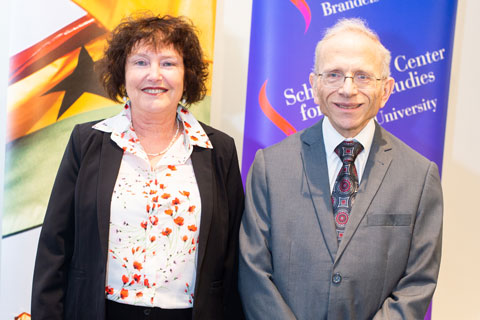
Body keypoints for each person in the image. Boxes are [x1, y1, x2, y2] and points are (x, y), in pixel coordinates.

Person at [32, 14, 244, 320]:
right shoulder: (87, 142)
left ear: (187, 75)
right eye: (141, 62)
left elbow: (232, 257)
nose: (154, 75)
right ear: (123, 72)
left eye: (168, 63)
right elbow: (55, 246)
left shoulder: (219, 150)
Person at [239, 18, 443, 320]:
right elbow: (253, 272)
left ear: (385, 90)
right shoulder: (270, 167)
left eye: (362, 76)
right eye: (333, 74)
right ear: (314, 85)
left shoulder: (420, 176)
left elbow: (418, 281)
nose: (347, 90)